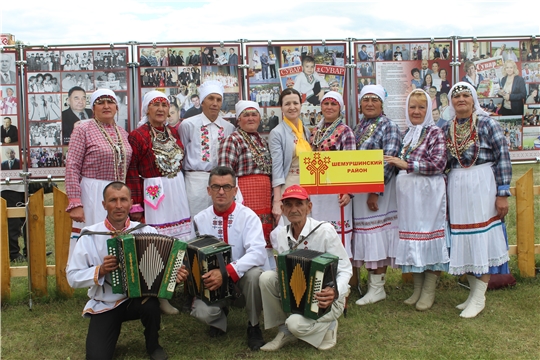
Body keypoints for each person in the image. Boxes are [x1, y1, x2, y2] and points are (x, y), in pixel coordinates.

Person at [67, 182, 180, 360]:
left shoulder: (146, 231)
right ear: (104, 204)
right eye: (113, 200)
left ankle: (153, 345)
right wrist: (101, 271)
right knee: (97, 357)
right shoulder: (90, 235)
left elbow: (164, 268)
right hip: (105, 304)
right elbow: (72, 277)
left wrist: (174, 275)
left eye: (123, 200)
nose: (119, 205)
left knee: (150, 304)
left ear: (131, 202)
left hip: (137, 300)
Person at [442, 82, 511, 318]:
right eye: (456, 96)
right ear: (451, 102)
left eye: (465, 95)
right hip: (458, 185)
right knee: (464, 238)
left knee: (480, 237)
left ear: (473, 100)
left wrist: (502, 193)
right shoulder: (447, 128)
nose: (461, 99)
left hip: (482, 183)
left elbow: (503, 156)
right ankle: (473, 293)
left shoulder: (487, 122)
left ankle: (480, 296)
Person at [259, 184, 352, 351]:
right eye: (288, 204)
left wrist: (334, 290)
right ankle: (284, 330)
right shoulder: (280, 235)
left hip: (325, 298)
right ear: (282, 208)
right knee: (266, 278)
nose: (294, 209)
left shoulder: (325, 231)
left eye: (299, 204)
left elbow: (345, 269)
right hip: (298, 296)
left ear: (309, 207)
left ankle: (329, 325)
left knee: (296, 324)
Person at [190, 166, 269, 351]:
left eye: (226, 186)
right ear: (208, 190)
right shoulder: (199, 219)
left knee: (256, 275)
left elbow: (258, 253)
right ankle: (219, 317)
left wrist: (227, 272)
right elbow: (191, 253)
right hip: (212, 283)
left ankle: (254, 325)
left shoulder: (249, 217)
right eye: (216, 187)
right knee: (201, 312)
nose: (221, 191)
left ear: (235, 190)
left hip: (241, 281)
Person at [384, 89, 449, 311]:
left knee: (428, 238)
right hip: (409, 197)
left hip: (428, 193)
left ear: (429, 109)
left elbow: (439, 164)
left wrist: (407, 165)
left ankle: (429, 290)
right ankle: (418, 289)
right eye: (412, 107)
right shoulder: (407, 134)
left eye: (422, 107)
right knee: (414, 240)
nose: (416, 111)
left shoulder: (435, 133)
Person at [127, 91, 191, 315]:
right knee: (157, 242)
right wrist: (135, 204)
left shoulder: (173, 132)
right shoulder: (138, 135)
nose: (161, 109)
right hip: (154, 193)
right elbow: (132, 171)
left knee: (177, 242)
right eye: (156, 105)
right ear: (147, 109)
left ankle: (174, 288)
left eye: (165, 104)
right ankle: (158, 294)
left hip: (176, 190)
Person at [65, 89, 132, 264]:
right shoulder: (83, 129)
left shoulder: (122, 133)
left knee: (118, 236)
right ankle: (94, 279)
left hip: (117, 192)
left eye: (110, 102)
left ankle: (119, 279)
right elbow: (72, 166)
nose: (106, 106)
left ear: (116, 107)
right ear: (93, 108)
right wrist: (75, 202)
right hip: (94, 193)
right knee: (96, 237)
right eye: (100, 102)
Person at [352, 84, 401, 306]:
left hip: (379, 189)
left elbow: (390, 159)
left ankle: (377, 287)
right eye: (366, 100)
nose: (370, 104)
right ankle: (369, 284)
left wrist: (375, 191)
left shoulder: (388, 126)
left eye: (374, 100)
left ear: (382, 103)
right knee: (366, 234)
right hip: (361, 188)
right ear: (360, 103)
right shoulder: (358, 127)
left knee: (377, 234)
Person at [218, 100, 274, 266]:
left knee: (263, 239)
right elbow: (224, 175)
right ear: (239, 120)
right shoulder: (232, 140)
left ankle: (266, 275)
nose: (251, 118)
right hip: (245, 198)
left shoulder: (262, 142)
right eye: (246, 115)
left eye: (254, 114)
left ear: (259, 118)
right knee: (246, 234)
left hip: (263, 199)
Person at [179, 81, 235, 217]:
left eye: (218, 100)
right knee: (195, 219)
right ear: (202, 101)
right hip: (195, 181)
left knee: (219, 219)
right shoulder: (188, 125)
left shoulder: (228, 128)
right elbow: (181, 155)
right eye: (211, 98)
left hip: (220, 182)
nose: (215, 103)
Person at [309, 92, 355, 257]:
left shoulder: (345, 131)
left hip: (337, 193)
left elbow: (350, 162)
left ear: (340, 108)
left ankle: (341, 280)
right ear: (321, 107)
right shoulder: (315, 131)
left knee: (337, 240)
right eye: (326, 103)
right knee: (319, 236)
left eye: (333, 104)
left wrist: (349, 192)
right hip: (318, 191)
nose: (329, 107)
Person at [269, 88, 311, 225]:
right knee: (289, 227)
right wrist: (277, 200)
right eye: (287, 104)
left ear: (301, 105)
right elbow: (277, 168)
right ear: (281, 107)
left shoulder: (305, 131)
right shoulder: (277, 133)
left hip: (306, 184)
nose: (292, 107)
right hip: (289, 184)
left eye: (295, 103)